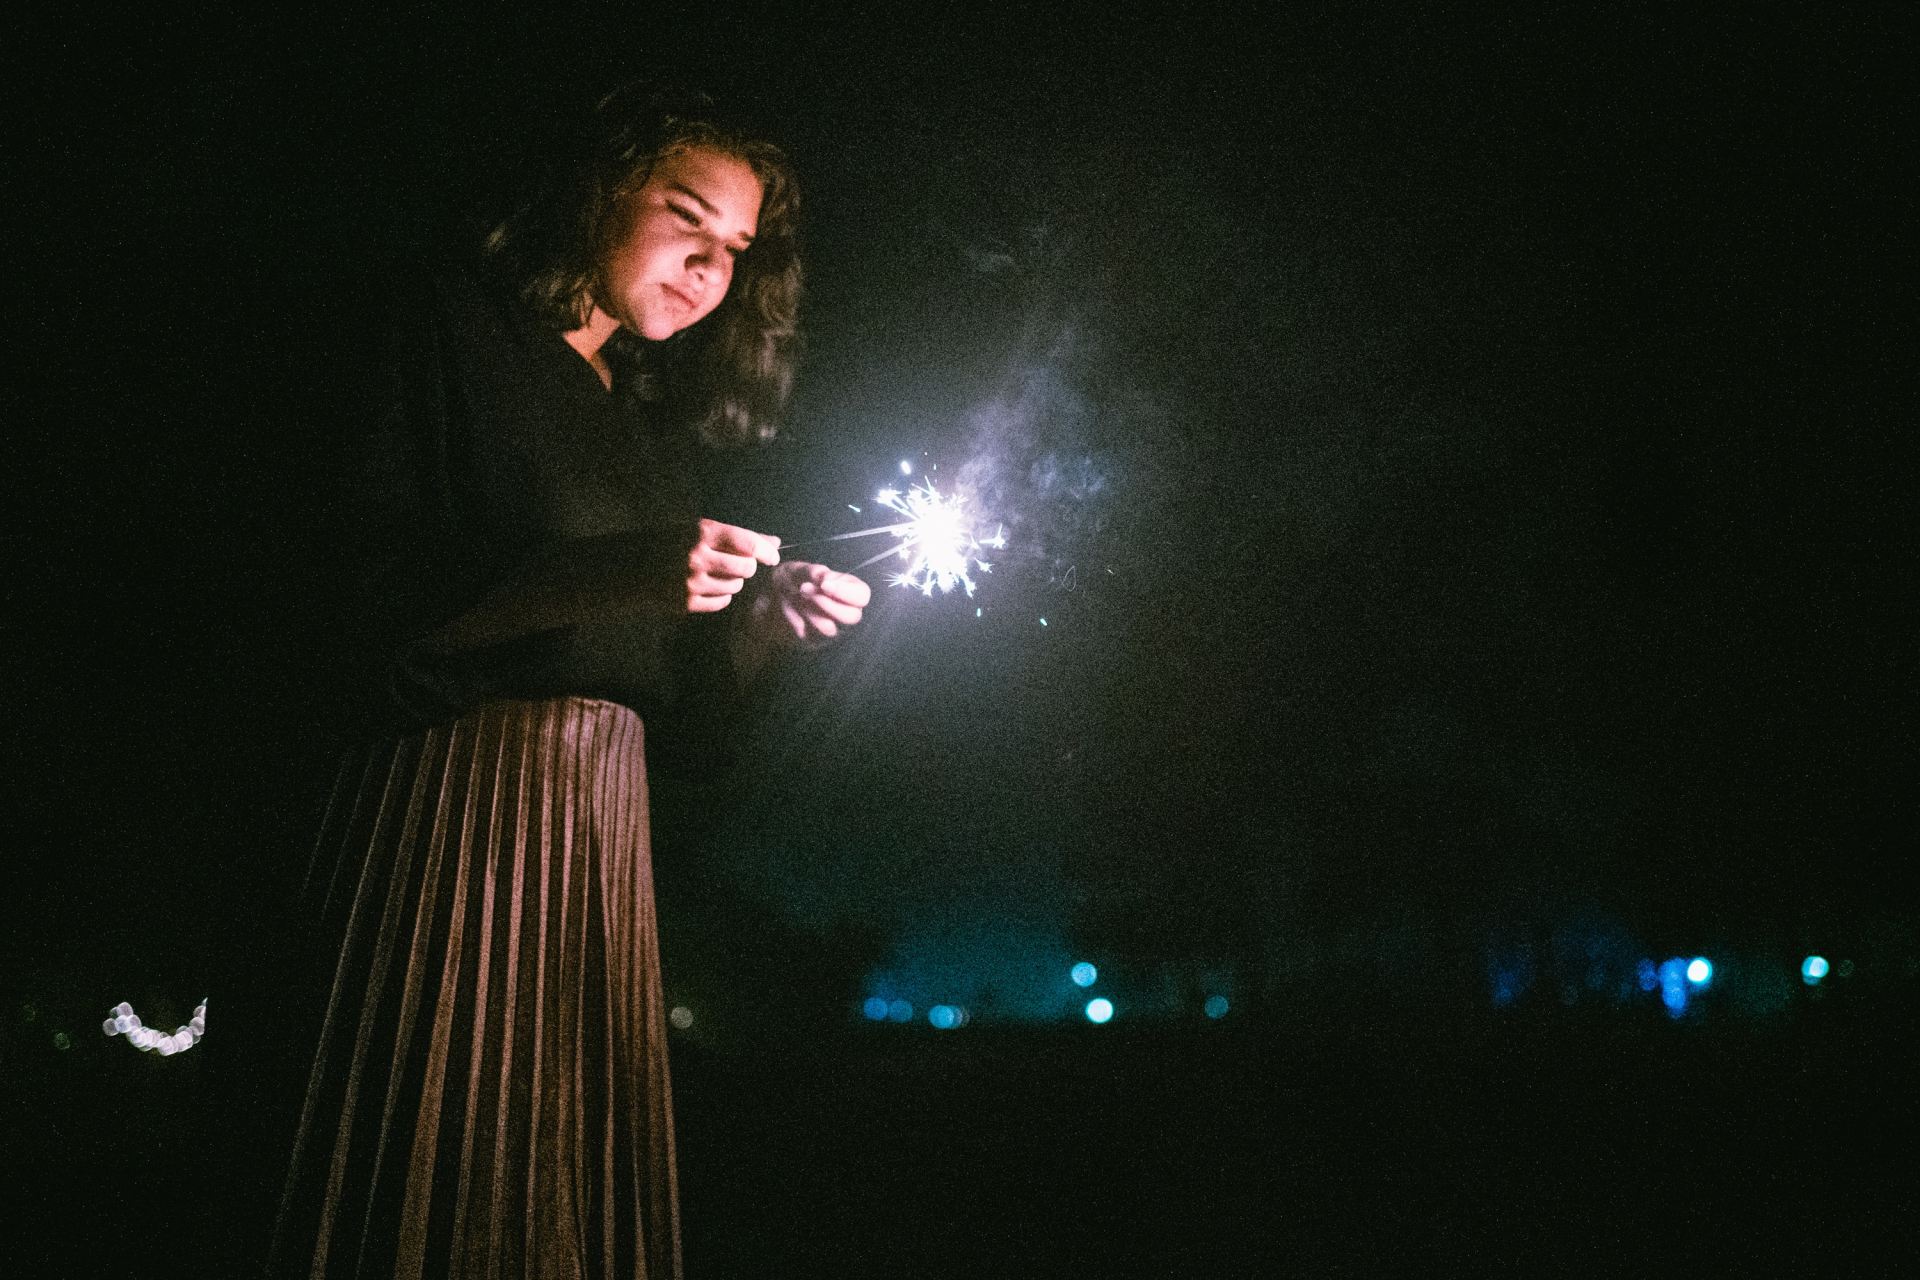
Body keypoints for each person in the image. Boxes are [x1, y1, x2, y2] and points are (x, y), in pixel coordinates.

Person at [265, 87, 869, 1277]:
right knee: (428, 1184)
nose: (708, 267)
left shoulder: (644, 423)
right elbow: (355, 601)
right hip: (447, 824)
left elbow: (678, 731)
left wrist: (761, 638)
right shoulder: (439, 323)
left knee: (552, 1200)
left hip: (599, 848)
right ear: (600, 188)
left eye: (737, 251)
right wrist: (615, 570)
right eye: (685, 217)